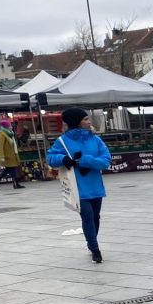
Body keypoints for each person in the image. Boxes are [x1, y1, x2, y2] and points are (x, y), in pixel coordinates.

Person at [46, 108, 112, 262]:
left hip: (95, 185)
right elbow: (50, 157)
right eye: (86, 119)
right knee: (88, 217)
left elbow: (106, 160)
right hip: (78, 187)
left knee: (96, 217)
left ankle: (91, 241)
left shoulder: (96, 140)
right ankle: (95, 249)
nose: (89, 122)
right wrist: (64, 159)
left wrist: (86, 160)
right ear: (76, 122)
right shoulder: (62, 141)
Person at [0, 119, 25, 190]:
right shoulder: (1, 135)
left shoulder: (10, 134)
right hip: (7, 156)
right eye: (9, 125)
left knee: (9, 169)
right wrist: (2, 156)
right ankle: (15, 183)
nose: (11, 127)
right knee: (11, 168)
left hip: (12, 155)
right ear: (6, 126)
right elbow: (0, 146)